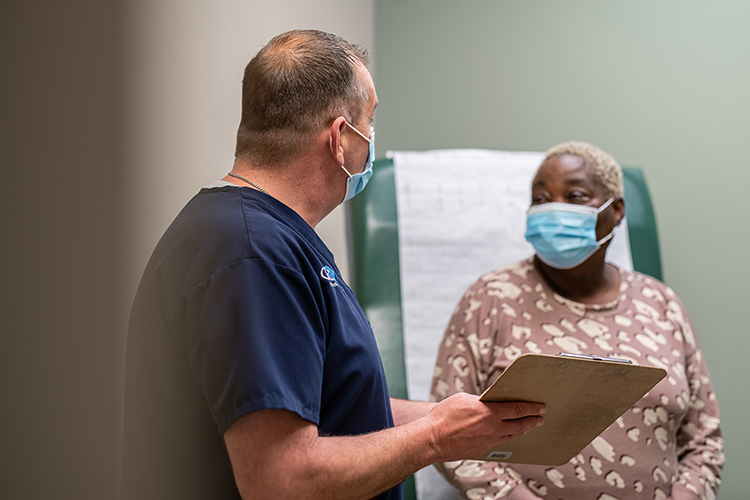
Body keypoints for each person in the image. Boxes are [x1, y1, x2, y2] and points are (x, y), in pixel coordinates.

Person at [122, 29, 547, 500]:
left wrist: (453, 417)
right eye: (370, 122)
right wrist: (436, 438)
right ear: (341, 138)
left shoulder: (253, 234)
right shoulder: (252, 253)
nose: (372, 140)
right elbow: (280, 478)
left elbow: (332, 403)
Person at [430, 141, 724, 500]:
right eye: (541, 199)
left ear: (615, 211)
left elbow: (704, 441)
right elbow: (446, 434)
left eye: (575, 196)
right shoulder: (491, 298)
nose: (554, 208)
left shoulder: (662, 304)